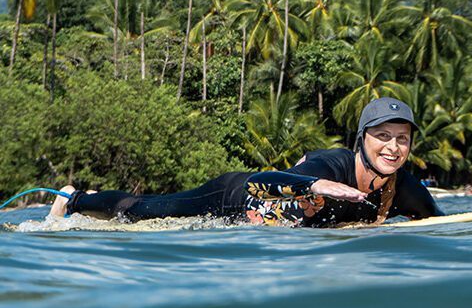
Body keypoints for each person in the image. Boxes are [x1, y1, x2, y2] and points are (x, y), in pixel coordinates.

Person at [49, 97, 442, 227]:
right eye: (383, 137)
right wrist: (313, 186)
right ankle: (77, 198)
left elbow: (440, 225)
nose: (393, 148)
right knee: (144, 212)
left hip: (259, 230)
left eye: (402, 140)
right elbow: (263, 180)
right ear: (362, 140)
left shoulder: (403, 187)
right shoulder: (331, 165)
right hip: (234, 196)